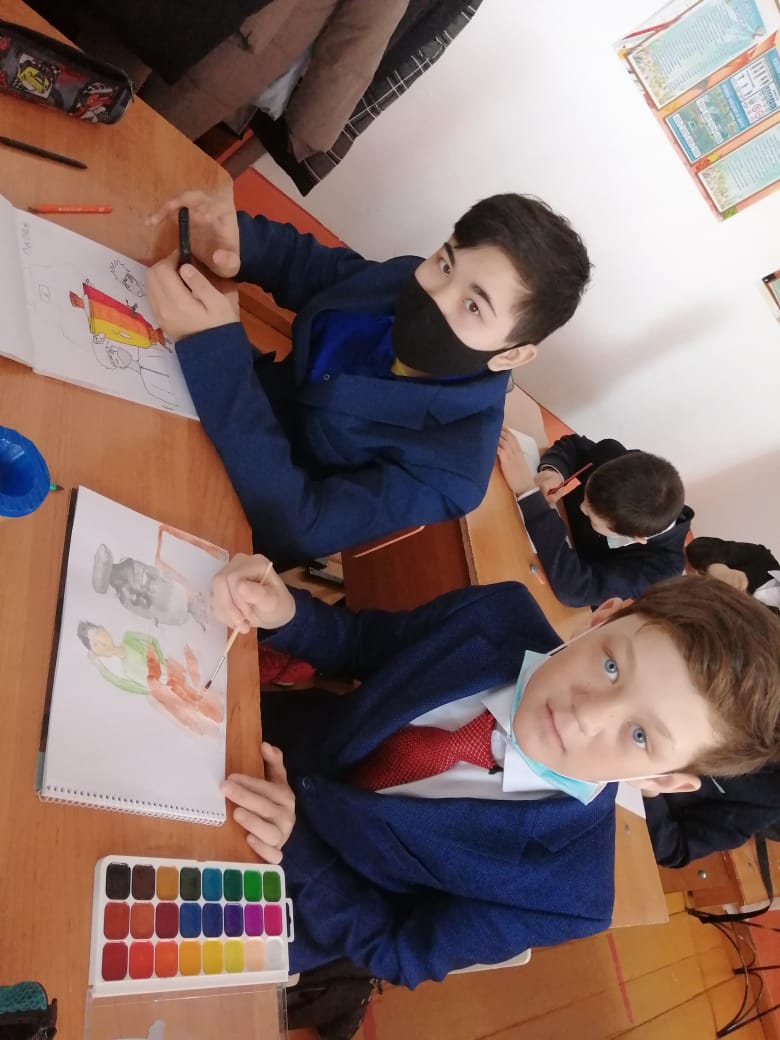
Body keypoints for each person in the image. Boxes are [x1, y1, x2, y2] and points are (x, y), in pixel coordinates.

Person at [208, 555, 780, 988]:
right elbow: (366, 642)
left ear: (662, 782)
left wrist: (299, 850)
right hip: (243, 741)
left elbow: (399, 949)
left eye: (640, 736)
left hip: (282, 901)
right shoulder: (499, 615)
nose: (585, 714)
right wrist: (290, 615)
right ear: (604, 615)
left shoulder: (568, 893)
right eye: (610, 665)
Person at [145, 187, 591, 569]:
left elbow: (299, 524)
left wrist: (215, 354)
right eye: (446, 264)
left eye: (474, 306)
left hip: (216, 507)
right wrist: (240, 242)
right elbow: (319, 271)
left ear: (512, 353)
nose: (438, 295)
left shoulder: (454, 470)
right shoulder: (408, 276)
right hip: (193, 398)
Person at [497, 431, 693, 607]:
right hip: (525, 522)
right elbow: (574, 446)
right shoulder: (624, 464)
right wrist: (554, 472)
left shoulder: (661, 569)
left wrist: (527, 492)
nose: (582, 507)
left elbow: (574, 588)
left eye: (593, 517)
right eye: (586, 497)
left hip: (542, 571)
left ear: (635, 538)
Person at [686, 536, 780, 611]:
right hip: (682, 588)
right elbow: (701, 546)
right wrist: (717, 567)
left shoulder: (774, 624)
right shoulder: (762, 559)